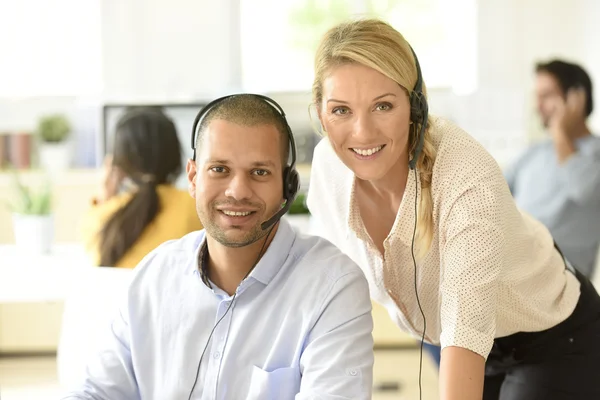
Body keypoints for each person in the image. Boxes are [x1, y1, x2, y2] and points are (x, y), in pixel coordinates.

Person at [306, 18, 600, 399]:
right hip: (446, 335)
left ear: (415, 106)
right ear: (319, 109)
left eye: (383, 105)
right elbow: (325, 289)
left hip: (550, 337)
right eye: (341, 110)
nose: (361, 132)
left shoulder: (465, 176)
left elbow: (465, 324)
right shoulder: (329, 169)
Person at [62, 94, 374, 399]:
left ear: (286, 186)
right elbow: (96, 390)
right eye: (220, 170)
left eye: (260, 172)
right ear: (193, 178)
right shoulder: (153, 277)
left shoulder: (333, 286)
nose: (238, 191)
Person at [505, 60, 600, 278]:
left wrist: (560, 132)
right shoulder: (536, 152)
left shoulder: (594, 153)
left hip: (562, 283)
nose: (538, 106)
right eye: (537, 97)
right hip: (515, 267)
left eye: (546, 96)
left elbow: (584, 190)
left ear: (576, 98)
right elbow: (493, 187)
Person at [79, 107, 202, 267]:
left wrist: (105, 197)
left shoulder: (100, 218)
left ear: (118, 162)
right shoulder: (196, 206)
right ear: (175, 154)